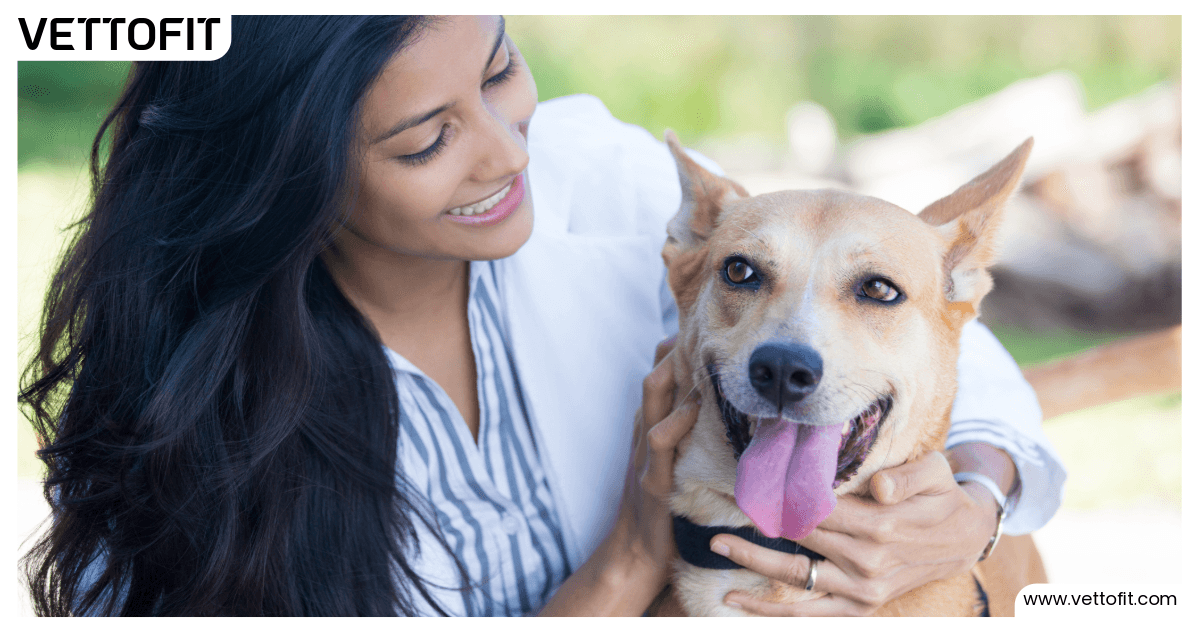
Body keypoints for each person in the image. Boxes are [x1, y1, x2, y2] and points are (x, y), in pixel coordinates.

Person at [20, 15, 1064, 616]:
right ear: (285, 186)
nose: (513, 151)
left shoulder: (597, 175)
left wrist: (973, 503)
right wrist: (625, 562)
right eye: (428, 140)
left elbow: (925, 332)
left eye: (498, 69)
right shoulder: (189, 456)